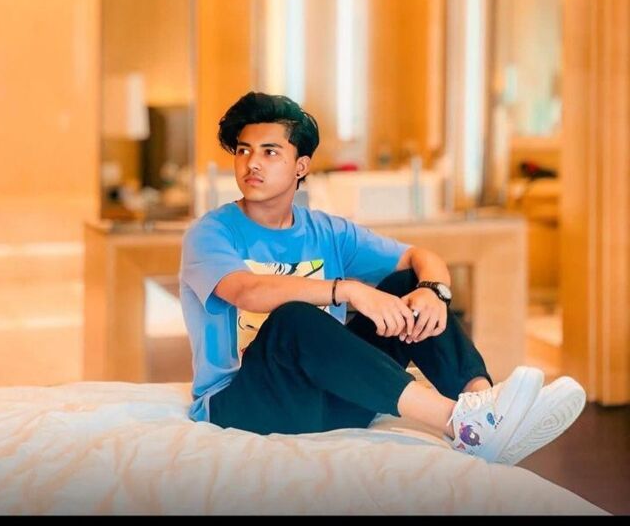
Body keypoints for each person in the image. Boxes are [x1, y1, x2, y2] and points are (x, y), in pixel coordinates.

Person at [180, 91, 585, 464]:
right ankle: (457, 422)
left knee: (409, 284)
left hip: (329, 399)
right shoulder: (211, 232)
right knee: (295, 317)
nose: (252, 163)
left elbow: (420, 257)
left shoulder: (328, 231)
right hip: (244, 402)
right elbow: (246, 291)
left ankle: (484, 408)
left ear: (301, 165)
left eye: (270, 152)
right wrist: (347, 290)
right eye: (244, 150)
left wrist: (433, 291)